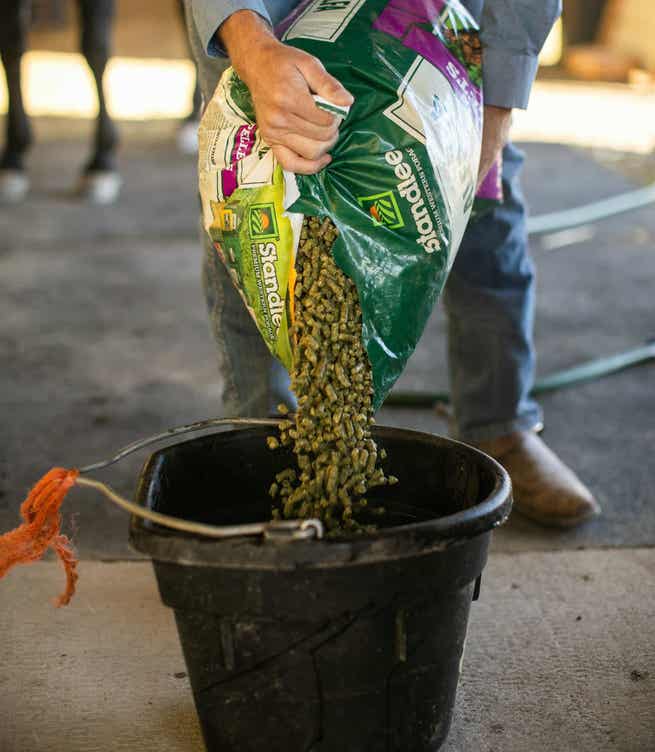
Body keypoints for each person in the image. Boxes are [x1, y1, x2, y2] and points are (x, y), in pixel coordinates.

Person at [183, 0, 600, 528]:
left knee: (485, 206)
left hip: (433, 21)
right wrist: (250, 43)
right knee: (250, 203)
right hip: (273, 17)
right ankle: (263, 439)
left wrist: (493, 108)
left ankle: (499, 424)